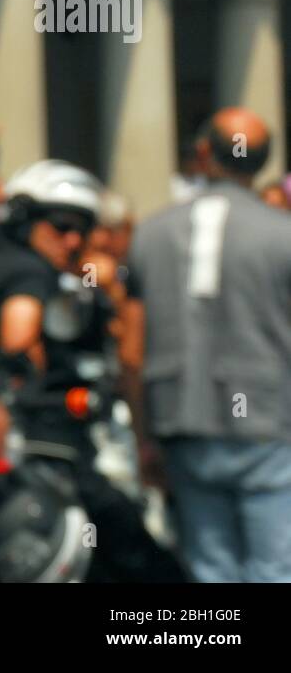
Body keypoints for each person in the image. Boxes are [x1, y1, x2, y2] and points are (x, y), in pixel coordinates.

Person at [0, 160, 185, 582]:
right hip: (45, 453)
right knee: (144, 564)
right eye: (61, 226)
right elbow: (16, 337)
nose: (73, 239)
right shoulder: (31, 271)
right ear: (26, 217)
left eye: (81, 229)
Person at [124, 107, 291, 582]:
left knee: (210, 570)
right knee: (275, 568)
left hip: (185, 417)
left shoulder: (151, 233)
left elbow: (132, 352)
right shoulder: (283, 235)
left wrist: (142, 437)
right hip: (269, 420)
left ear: (201, 153)